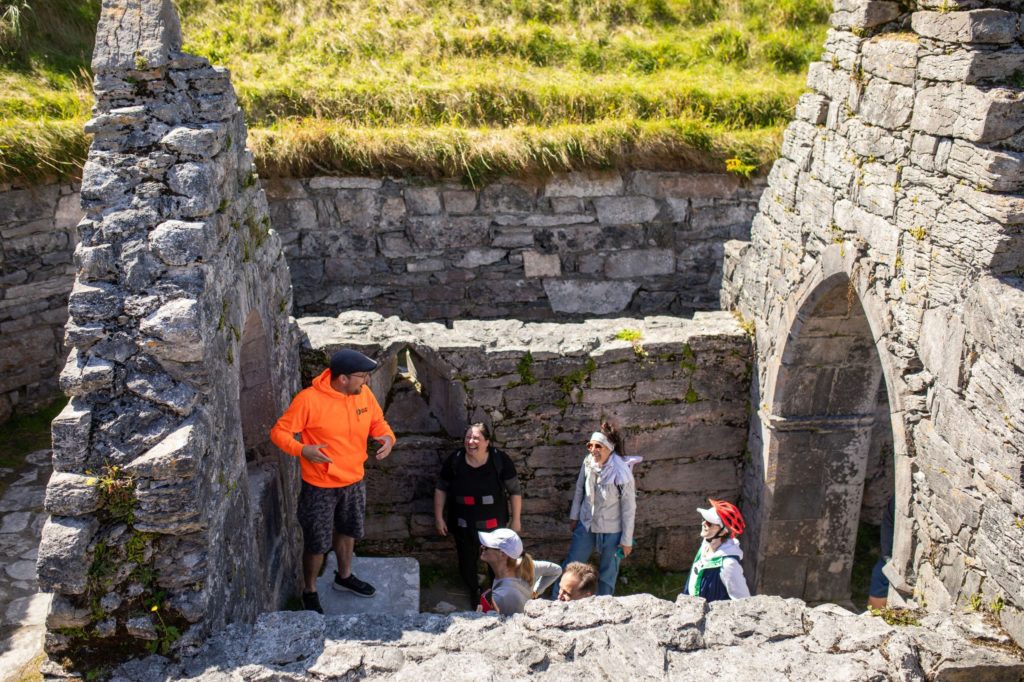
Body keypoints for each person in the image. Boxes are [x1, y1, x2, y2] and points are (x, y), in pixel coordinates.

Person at [269, 348, 396, 614]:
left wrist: (387, 438)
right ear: (342, 379)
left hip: (354, 481)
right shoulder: (309, 400)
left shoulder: (363, 395)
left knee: (348, 531)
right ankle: (310, 590)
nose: (367, 381)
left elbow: (377, 423)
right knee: (317, 542)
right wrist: (303, 450)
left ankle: (345, 576)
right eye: (362, 376)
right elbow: (279, 432)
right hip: (319, 486)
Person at [434, 423, 522, 608]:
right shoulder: (455, 460)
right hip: (462, 524)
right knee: (466, 560)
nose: (470, 442)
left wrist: (516, 519)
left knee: (497, 561)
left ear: (487, 442)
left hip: (494, 526)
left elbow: (514, 490)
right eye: (468, 437)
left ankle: (496, 592)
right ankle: (473, 590)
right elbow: (441, 488)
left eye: (476, 438)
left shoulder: (500, 460)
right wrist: (439, 517)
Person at [552, 422, 636, 597]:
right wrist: (574, 516)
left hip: (612, 529)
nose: (593, 450)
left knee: (608, 571)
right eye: (590, 445)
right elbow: (579, 489)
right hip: (587, 523)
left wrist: (626, 540)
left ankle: (604, 605)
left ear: (609, 449)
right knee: (572, 563)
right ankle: (556, 599)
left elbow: (629, 508)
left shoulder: (621, 473)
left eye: (598, 446)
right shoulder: (588, 462)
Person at [682, 498, 750, 602]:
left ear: (723, 532)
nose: (704, 523)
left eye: (709, 523)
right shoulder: (706, 544)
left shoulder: (729, 564)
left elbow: (743, 600)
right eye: (703, 519)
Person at [477, 528, 534, 615]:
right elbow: (555, 569)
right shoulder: (523, 571)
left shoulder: (503, 595)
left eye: (487, 546)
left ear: (503, 554)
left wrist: (478, 616)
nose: (482, 547)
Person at [868, 496, 896, 610]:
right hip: (889, 556)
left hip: (893, 556)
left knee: (880, 575)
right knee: (880, 575)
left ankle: (875, 618)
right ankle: (875, 619)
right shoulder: (895, 503)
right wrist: (888, 557)